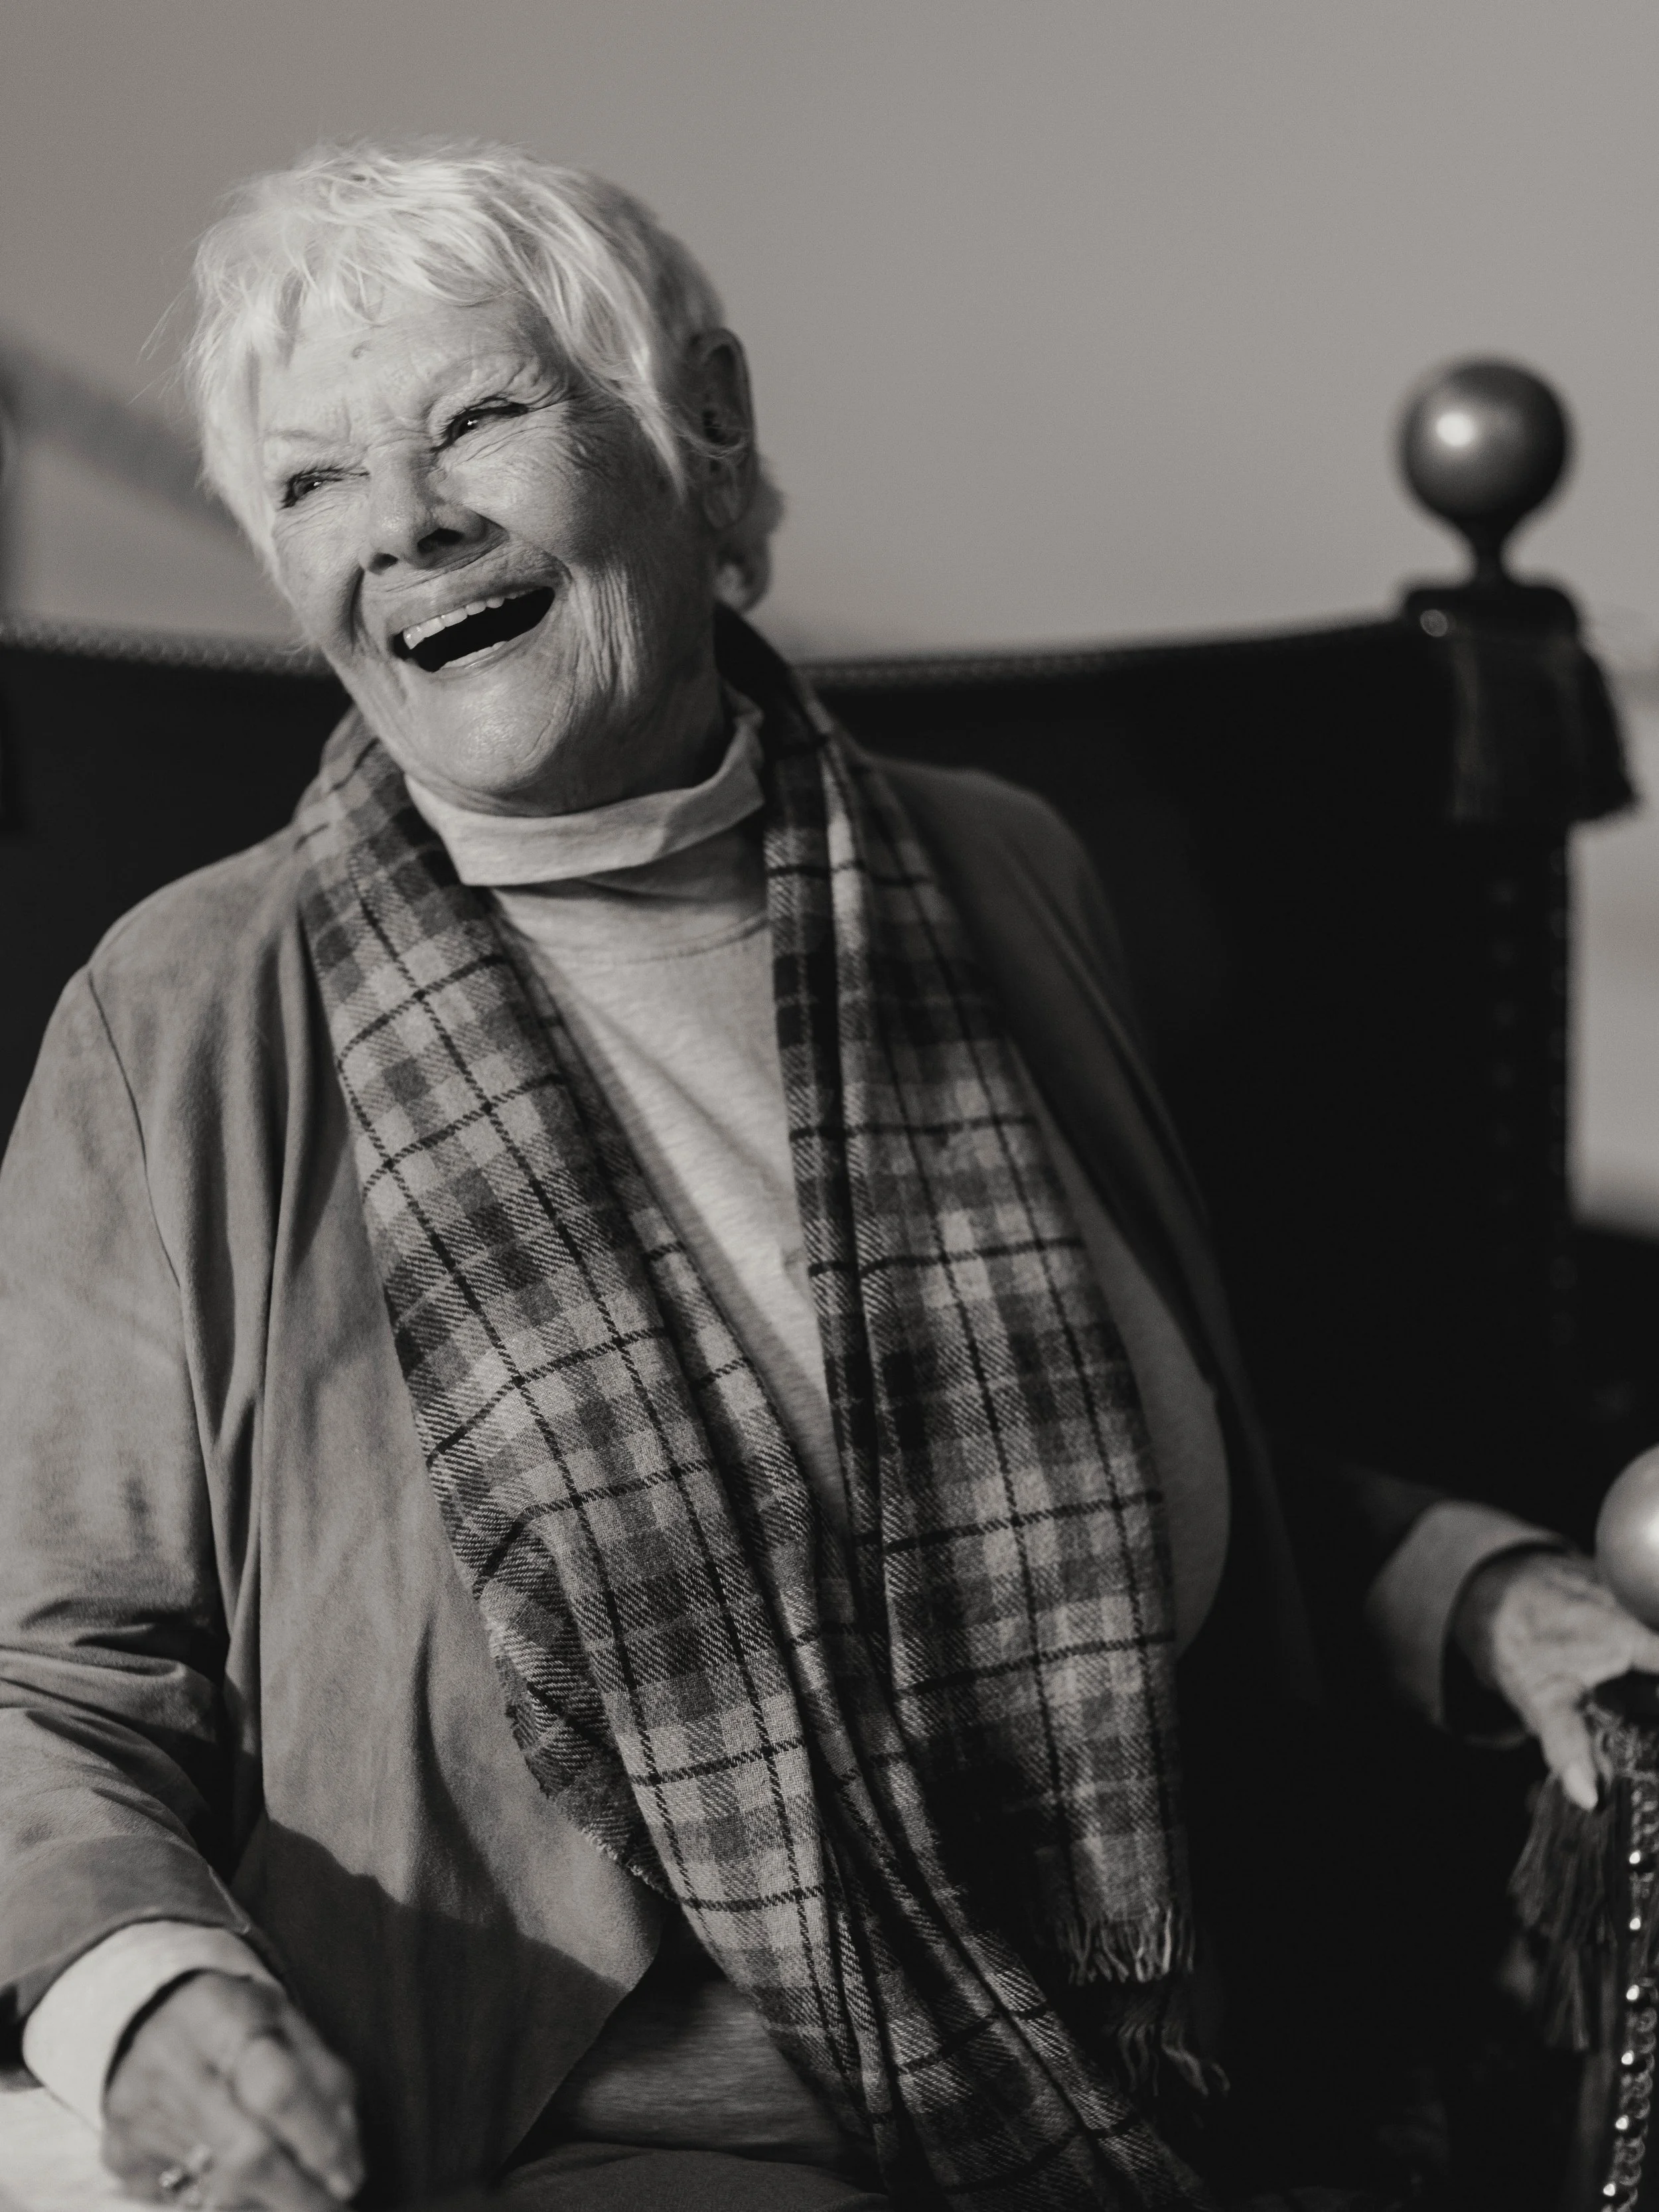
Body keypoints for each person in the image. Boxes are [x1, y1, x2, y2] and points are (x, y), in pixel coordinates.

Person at [0, 139, 1653, 2212]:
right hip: (577, 2141)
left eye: (476, 420)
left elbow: (1096, 1447)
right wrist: (146, 1998)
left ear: (701, 434)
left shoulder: (1000, 872)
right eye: (315, 479)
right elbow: (45, 1680)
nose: (404, 523)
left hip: (1146, 2081)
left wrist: (1483, 1593)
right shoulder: (182, 1019)